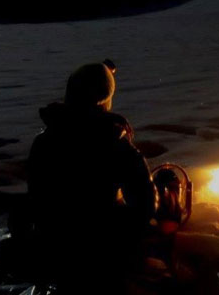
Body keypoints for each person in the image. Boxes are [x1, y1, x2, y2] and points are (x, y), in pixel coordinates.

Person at [26, 59, 156, 289]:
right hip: (101, 255)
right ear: (104, 100)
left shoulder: (44, 141)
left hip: (54, 250)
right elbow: (143, 205)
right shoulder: (115, 144)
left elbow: (37, 198)